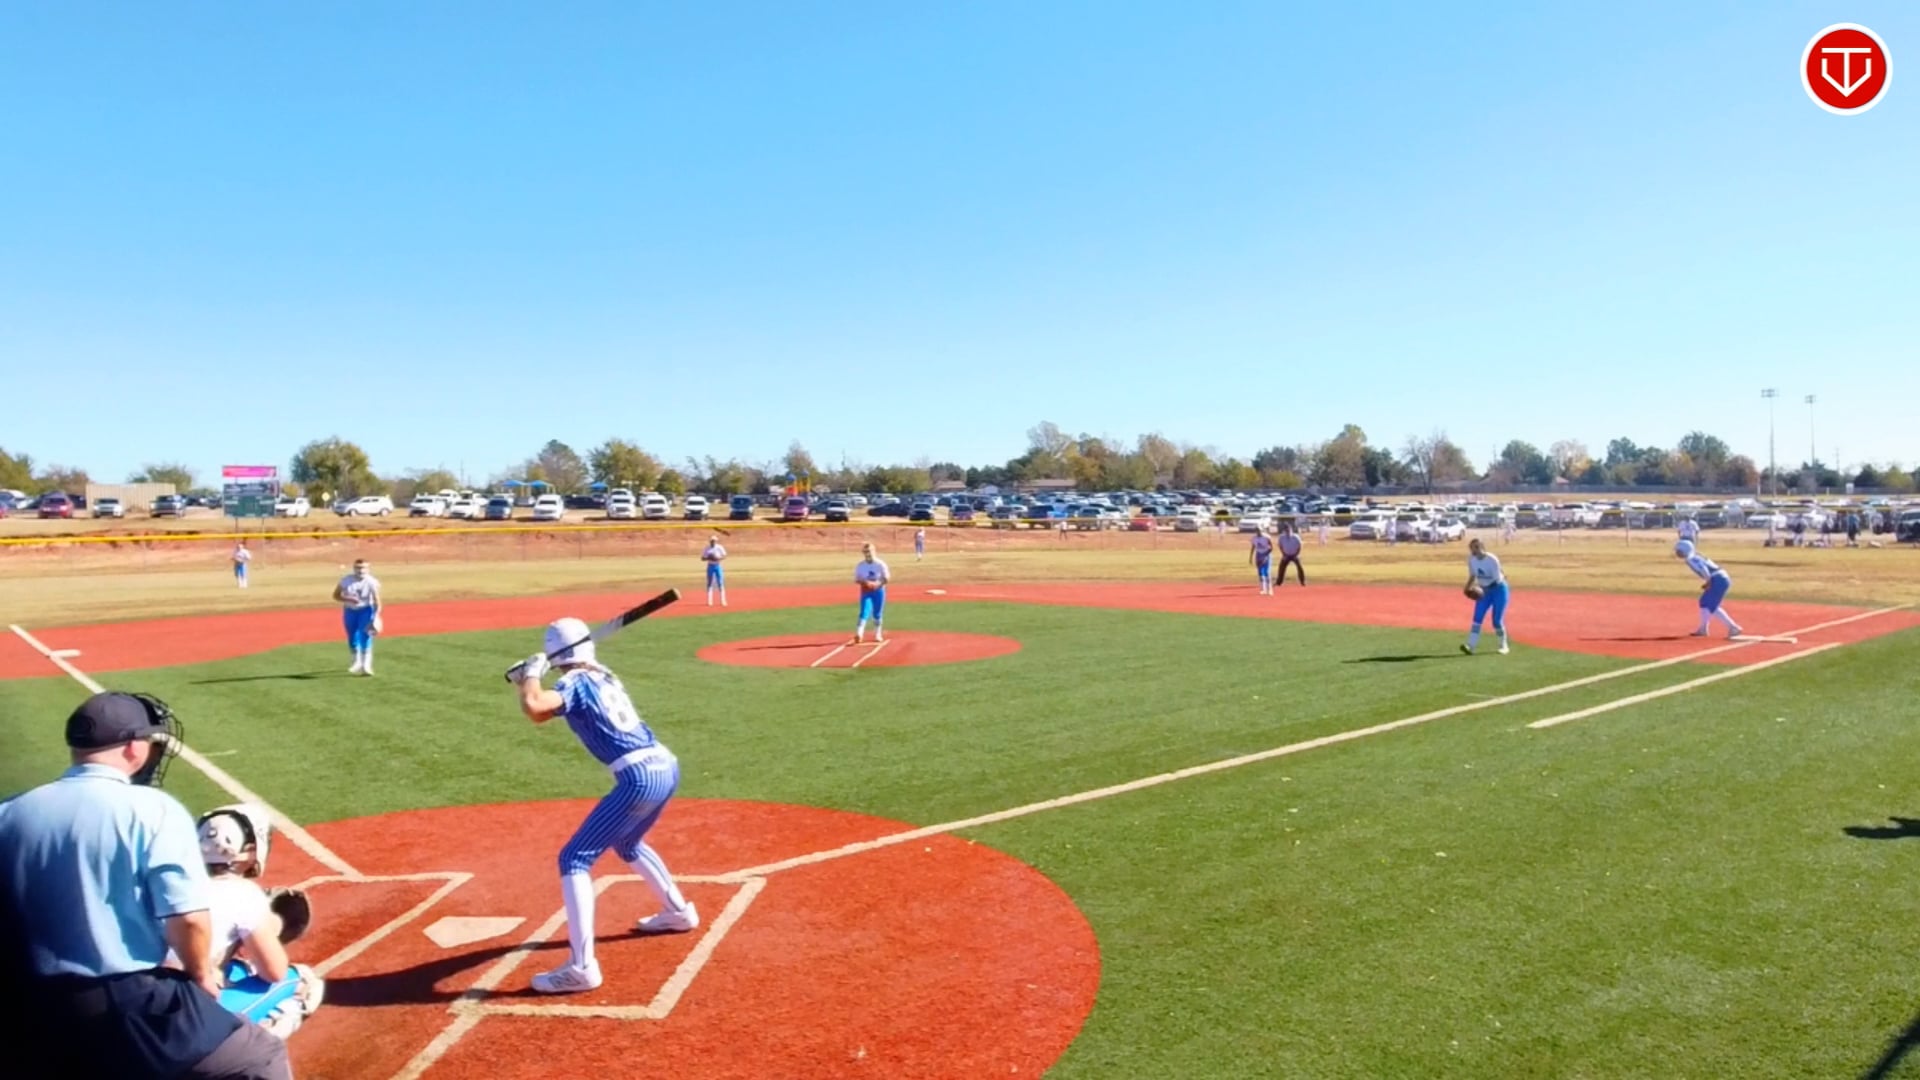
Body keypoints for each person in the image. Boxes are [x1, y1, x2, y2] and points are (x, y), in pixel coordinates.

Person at [0, 692, 290, 1080]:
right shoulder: (153, 809)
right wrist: (201, 974)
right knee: (261, 1056)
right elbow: (189, 920)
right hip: (127, 1005)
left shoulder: (8, 812)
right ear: (134, 747)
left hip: (29, 1011)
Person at [512, 619, 696, 994]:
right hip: (665, 765)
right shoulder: (603, 676)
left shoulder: (574, 682)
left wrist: (531, 675)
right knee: (627, 844)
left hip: (638, 777)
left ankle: (582, 968)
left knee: (573, 859)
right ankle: (678, 912)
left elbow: (534, 706)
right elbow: (542, 712)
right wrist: (527, 681)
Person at [194, 805, 324, 1039]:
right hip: (185, 1027)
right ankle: (248, 1045)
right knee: (304, 983)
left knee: (237, 969)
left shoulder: (165, 883)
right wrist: (272, 926)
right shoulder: (244, 893)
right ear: (250, 849)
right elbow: (275, 972)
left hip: (131, 1014)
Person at [1675, 539, 1743, 638]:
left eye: (1679, 550)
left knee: (1711, 605)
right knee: (1704, 602)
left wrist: (1708, 582)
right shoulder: (1695, 556)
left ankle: (1733, 627)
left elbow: (1704, 569)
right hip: (1720, 578)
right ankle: (1703, 628)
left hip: (1718, 579)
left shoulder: (1692, 559)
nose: (1677, 553)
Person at [331, 558, 383, 676]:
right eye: (358, 568)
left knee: (365, 636)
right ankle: (356, 661)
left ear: (368, 569)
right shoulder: (346, 581)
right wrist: (348, 598)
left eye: (363, 568)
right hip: (350, 611)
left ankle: (366, 665)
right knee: (352, 635)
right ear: (354, 568)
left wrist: (376, 615)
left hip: (366, 610)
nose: (361, 570)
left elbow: (377, 601)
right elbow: (335, 595)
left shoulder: (372, 582)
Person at [1461, 538, 1511, 656]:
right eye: (1472, 548)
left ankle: (1503, 646)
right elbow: (1473, 575)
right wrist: (1467, 588)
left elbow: (1495, 580)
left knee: (1496, 620)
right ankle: (1471, 646)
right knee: (1477, 618)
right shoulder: (1471, 559)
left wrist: (1480, 589)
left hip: (1499, 589)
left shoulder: (1492, 559)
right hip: (1484, 590)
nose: (1474, 550)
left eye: (1477, 547)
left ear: (1482, 547)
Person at [852, 542, 890, 644]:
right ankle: (859, 634)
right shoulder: (861, 566)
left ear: (874, 551)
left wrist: (877, 584)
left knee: (877, 612)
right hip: (866, 591)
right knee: (864, 611)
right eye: (865, 552)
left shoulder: (880, 564)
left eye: (869, 551)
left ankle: (878, 633)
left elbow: (886, 578)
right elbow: (857, 579)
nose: (868, 554)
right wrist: (865, 583)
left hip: (878, 590)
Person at [701, 534, 727, 607]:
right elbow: (702, 558)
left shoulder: (719, 547)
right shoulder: (707, 548)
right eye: (712, 541)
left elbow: (724, 555)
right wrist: (709, 558)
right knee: (709, 583)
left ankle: (723, 601)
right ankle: (709, 601)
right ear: (710, 541)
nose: (713, 542)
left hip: (718, 566)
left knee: (720, 582)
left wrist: (718, 558)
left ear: (716, 541)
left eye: (714, 541)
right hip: (710, 566)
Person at [1277, 522, 1306, 586]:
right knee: (1281, 567)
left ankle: (1302, 582)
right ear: (1284, 530)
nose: (1288, 531)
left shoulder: (1296, 537)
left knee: (1299, 567)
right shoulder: (1281, 537)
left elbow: (1300, 546)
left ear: (1291, 529)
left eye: (1288, 529)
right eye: (1286, 530)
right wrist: (1284, 554)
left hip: (1294, 555)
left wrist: (1296, 554)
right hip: (1286, 555)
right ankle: (1279, 582)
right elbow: (1280, 546)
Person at [1249, 528, 1274, 595]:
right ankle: (1263, 589)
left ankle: (1270, 589)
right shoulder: (1254, 538)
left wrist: (1266, 555)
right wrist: (1251, 557)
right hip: (1259, 555)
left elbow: (1271, 547)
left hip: (1266, 554)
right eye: (1257, 531)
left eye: (1259, 531)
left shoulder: (1266, 537)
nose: (1258, 532)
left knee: (1267, 572)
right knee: (1260, 573)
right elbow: (1253, 547)